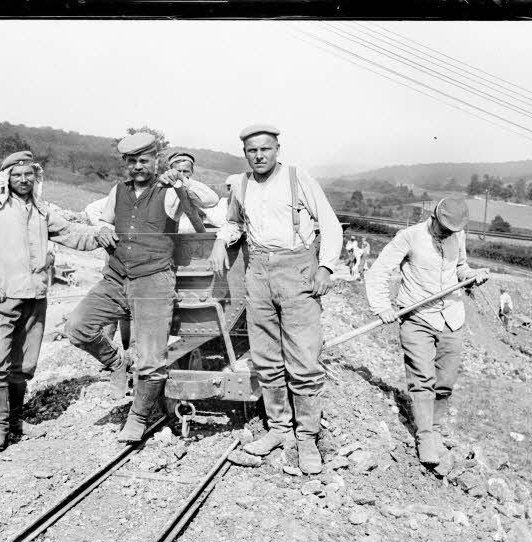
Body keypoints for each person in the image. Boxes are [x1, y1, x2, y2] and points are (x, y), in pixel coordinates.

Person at [65, 132, 219, 444]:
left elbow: (211, 200)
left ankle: (138, 418)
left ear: (155, 161)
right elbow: (102, 217)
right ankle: (118, 362)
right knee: (77, 327)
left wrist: (180, 181)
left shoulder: (169, 191)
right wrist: (104, 229)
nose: (138, 166)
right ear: (125, 163)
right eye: (132, 161)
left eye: (144, 160)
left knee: (151, 358)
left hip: (154, 281)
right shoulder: (118, 190)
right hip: (116, 277)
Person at [0, 151, 111, 452]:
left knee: (23, 365)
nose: (23, 180)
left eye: (28, 174)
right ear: (6, 178)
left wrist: (101, 234)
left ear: (35, 177)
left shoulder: (41, 211)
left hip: (35, 299)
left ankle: (14, 421)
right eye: (16, 175)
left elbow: (72, 233)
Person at [208, 124, 343, 474]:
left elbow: (330, 223)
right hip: (258, 271)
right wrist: (222, 240)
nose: (259, 156)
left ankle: (308, 437)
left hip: (297, 268)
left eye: (265, 149)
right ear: (245, 154)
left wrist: (326, 267)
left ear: (277, 149)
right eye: (252, 151)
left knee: (303, 357)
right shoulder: (241, 184)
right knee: (266, 357)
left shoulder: (299, 178)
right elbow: (235, 222)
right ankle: (279, 429)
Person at [365, 198, 488, 467]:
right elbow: (378, 271)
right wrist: (382, 306)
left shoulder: (458, 235)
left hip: (451, 318)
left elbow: (460, 267)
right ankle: (425, 437)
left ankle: (434, 427)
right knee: (422, 380)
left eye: (452, 230)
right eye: (444, 228)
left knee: (444, 383)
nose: (448, 234)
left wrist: (472, 274)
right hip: (417, 316)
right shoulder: (409, 237)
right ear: (434, 217)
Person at [81, 151, 222, 233]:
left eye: (185, 171)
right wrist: (111, 232)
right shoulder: (155, 186)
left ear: (192, 172)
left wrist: (185, 182)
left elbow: (212, 201)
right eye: (177, 171)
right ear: (168, 169)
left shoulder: (192, 189)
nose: (180, 174)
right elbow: (92, 209)